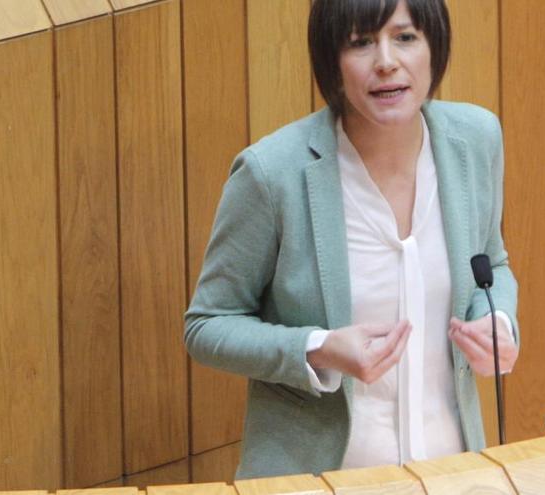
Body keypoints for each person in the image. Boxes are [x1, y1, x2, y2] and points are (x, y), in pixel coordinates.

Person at [184, 0, 519, 479]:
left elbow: (494, 264)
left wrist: (498, 321)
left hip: (455, 472)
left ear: (434, 48)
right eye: (361, 42)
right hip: (321, 478)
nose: (386, 60)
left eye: (405, 37)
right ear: (332, 63)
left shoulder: (476, 139)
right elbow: (207, 325)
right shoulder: (272, 173)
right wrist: (318, 348)